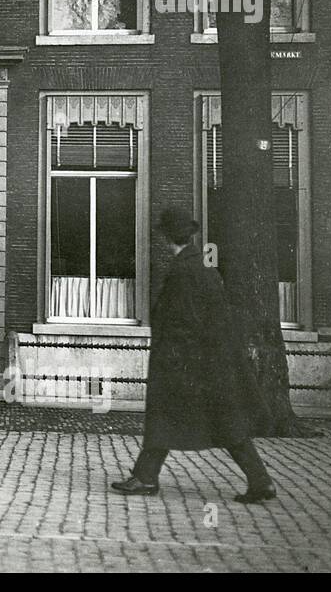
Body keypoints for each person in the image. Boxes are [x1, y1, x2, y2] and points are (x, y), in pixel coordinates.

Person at [111, 207, 277, 503]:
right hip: (211, 361)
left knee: (167, 416)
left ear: (166, 237)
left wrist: (172, 359)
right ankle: (260, 481)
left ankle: (145, 478)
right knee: (226, 423)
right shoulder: (202, 267)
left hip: (185, 363)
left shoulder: (182, 271)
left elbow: (182, 321)